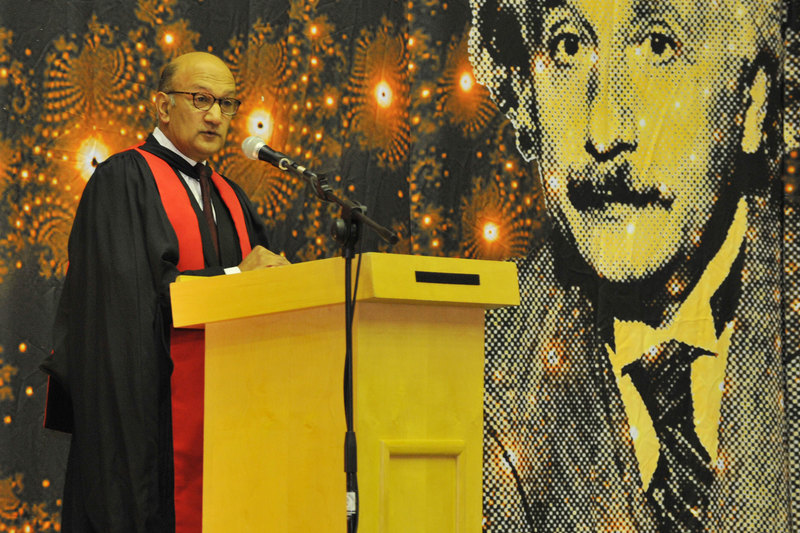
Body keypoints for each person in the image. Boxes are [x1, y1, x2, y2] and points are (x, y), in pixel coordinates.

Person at [468, 1, 790, 531]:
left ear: (751, 105)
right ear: (527, 94)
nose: (604, 131)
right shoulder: (470, 366)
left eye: (658, 46)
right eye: (569, 46)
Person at [40, 51, 288, 532]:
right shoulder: (122, 181)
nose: (216, 115)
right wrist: (238, 278)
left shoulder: (231, 198)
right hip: (145, 423)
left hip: (227, 418)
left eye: (227, 103)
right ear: (161, 106)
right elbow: (129, 305)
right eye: (200, 99)